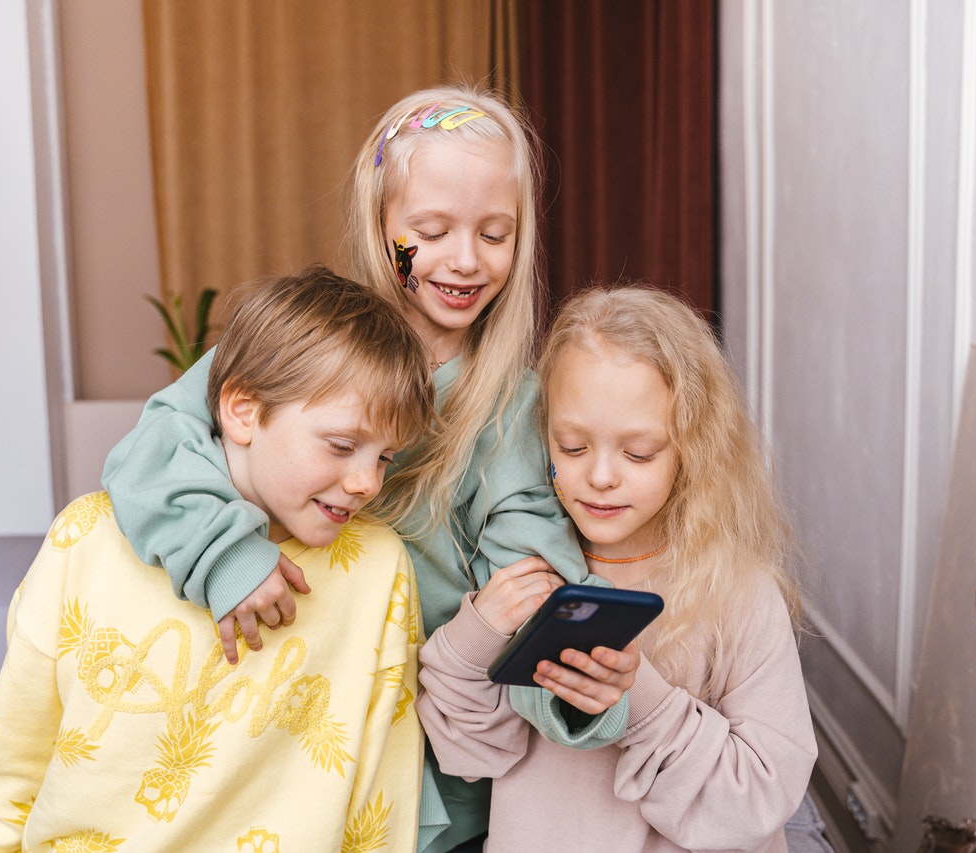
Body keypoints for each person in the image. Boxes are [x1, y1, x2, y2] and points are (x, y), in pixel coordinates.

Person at [100, 84, 615, 852]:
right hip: (264, 725)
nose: (466, 260)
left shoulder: (511, 405)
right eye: (431, 230)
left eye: (496, 234)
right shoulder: (310, 341)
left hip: (410, 772)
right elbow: (153, 444)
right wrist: (224, 553)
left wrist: (574, 684)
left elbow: (531, 570)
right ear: (382, 225)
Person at [0, 267, 434, 852]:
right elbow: (11, 759)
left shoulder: (379, 567)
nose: (365, 483)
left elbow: (383, 788)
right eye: (340, 445)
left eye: (385, 458)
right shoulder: (87, 538)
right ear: (243, 411)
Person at [416, 285, 818, 852]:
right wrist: (478, 631)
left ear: (693, 444)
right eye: (573, 447)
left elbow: (760, 798)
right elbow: (468, 754)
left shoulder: (737, 591)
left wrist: (640, 702)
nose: (601, 476)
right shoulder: (524, 567)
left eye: (638, 453)